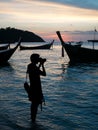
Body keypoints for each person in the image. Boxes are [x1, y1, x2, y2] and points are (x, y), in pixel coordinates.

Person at [26, 53, 46, 122]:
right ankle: (33, 121)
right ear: (34, 59)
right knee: (35, 105)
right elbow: (44, 74)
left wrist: (41, 64)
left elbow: (38, 72)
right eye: (38, 58)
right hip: (36, 89)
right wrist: (42, 64)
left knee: (34, 105)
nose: (39, 59)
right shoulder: (33, 67)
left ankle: (32, 121)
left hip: (33, 89)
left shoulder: (30, 66)